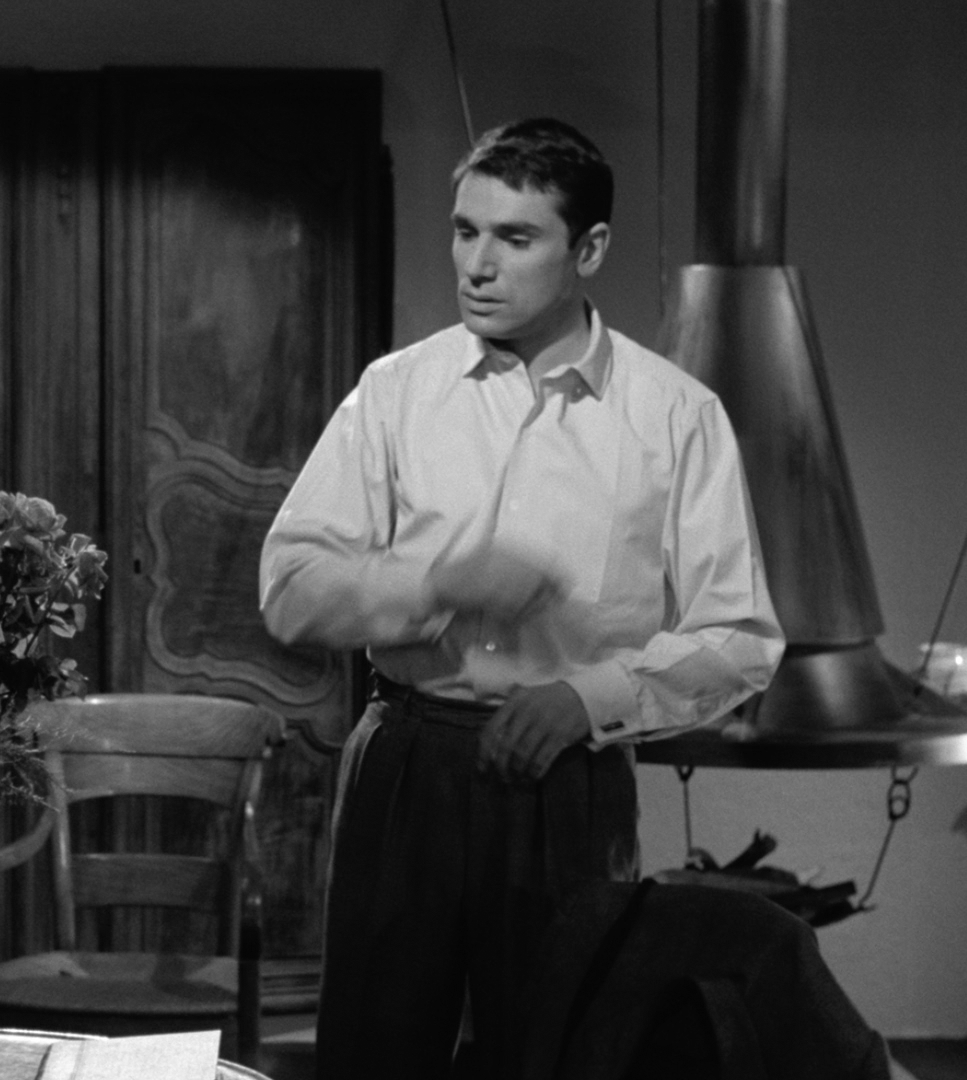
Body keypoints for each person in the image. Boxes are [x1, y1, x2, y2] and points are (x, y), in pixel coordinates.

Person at [258, 118, 785, 1078]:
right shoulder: (396, 392)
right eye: (465, 231)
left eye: (515, 237)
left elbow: (741, 638)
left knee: (560, 1053)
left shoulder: (675, 416)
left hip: (570, 779)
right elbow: (290, 589)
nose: (478, 264)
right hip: (408, 762)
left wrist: (590, 698)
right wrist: (431, 585)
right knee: (374, 1057)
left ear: (589, 249)